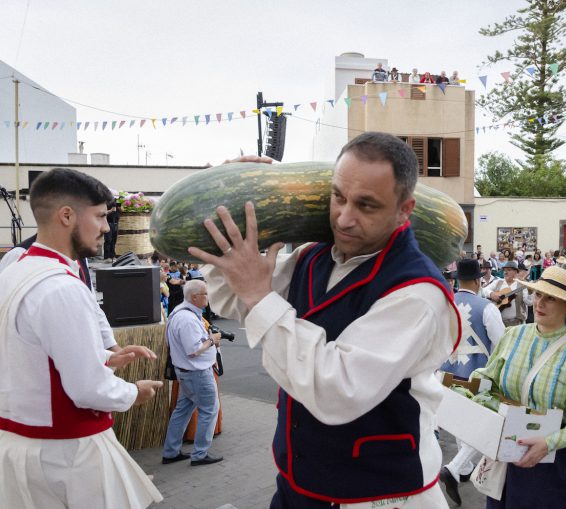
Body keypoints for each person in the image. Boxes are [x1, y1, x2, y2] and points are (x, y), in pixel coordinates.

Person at [196, 132, 461, 507]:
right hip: (299, 485)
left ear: (405, 209)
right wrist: (228, 201)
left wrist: (259, 295)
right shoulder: (312, 256)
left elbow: (337, 389)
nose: (344, 218)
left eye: (367, 206)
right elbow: (229, 299)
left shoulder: (419, 293)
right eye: (338, 196)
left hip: (379, 497)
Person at [0, 167, 163, 509]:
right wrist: (135, 392)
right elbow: (88, 389)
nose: (106, 227)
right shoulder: (60, 286)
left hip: (18, 444)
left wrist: (104, 357)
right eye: (101, 216)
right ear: (67, 215)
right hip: (66, 456)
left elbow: (28, 351)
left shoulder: (14, 271)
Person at [472, 266, 566, 509]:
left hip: (552, 467)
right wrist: (466, 389)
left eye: (551, 298)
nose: (539, 303)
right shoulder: (513, 336)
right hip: (507, 454)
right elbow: (487, 377)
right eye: (538, 295)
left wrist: (549, 441)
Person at [438, 259, 505, 506]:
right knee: (483, 426)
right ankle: (455, 468)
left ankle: (463, 467)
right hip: (476, 376)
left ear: (456, 279)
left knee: (458, 422)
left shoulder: (445, 304)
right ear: (478, 280)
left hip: (445, 372)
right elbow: (501, 345)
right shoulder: (486, 308)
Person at [162, 280, 223, 466]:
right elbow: (193, 349)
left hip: (186, 372)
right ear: (194, 297)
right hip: (197, 373)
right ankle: (200, 454)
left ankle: (171, 452)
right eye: (205, 293)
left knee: (182, 410)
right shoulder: (187, 319)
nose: (208, 296)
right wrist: (212, 340)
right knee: (209, 410)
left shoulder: (179, 313)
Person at [485, 261, 531, 327]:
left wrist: (531, 292)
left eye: (509, 270)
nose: (505, 272)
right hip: (499, 323)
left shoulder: (521, 285)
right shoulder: (498, 282)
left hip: (517, 324)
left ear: (516, 272)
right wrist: (491, 294)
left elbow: (529, 303)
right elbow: (483, 290)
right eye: (504, 270)